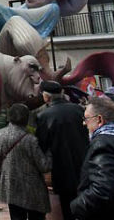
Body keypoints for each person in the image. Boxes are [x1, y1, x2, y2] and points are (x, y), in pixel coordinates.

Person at [35, 80, 88, 220]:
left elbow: (41, 144)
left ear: (46, 96)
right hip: (84, 163)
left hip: (61, 167)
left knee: (67, 205)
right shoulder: (78, 110)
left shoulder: (44, 116)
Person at [0, 103, 51, 220]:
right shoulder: (31, 140)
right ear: (26, 119)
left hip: (10, 186)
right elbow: (44, 166)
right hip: (32, 189)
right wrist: (50, 152)